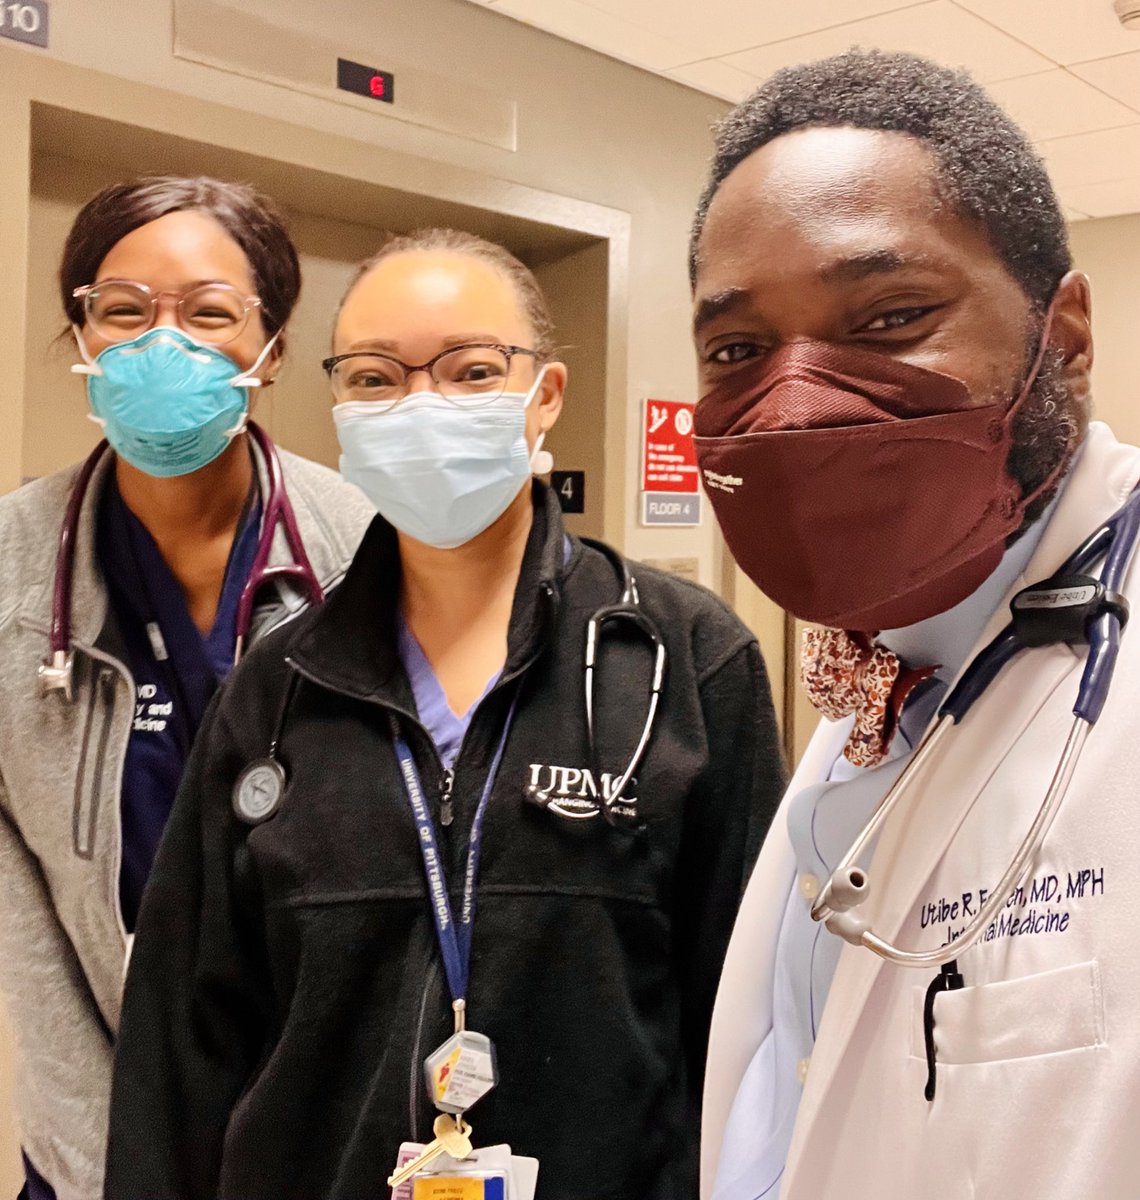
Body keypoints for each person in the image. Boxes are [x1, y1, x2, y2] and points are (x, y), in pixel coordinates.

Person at [103, 227, 786, 1200]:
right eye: (376, 379)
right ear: (340, 408)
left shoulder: (685, 659)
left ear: (544, 396)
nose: (421, 406)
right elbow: (180, 1054)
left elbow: (752, 1034)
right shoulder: (274, 690)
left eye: (471, 371)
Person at [691, 49, 1140, 1200]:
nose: (795, 407)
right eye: (739, 351)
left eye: (890, 318)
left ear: (1069, 333)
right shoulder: (887, 673)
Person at [0, 175, 374, 1200]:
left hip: (327, 1115)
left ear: (271, 348)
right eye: (123, 310)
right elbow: (21, 916)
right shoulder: (11, 570)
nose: (162, 343)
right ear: (82, 332)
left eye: (210, 313)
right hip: (96, 1136)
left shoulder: (369, 553)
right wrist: (114, 1156)